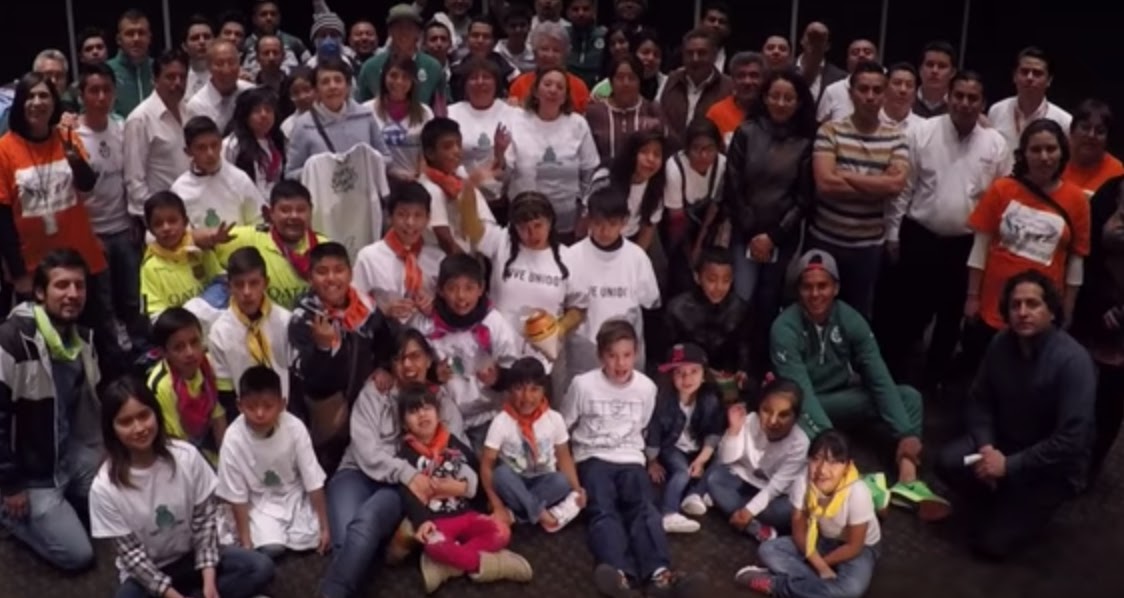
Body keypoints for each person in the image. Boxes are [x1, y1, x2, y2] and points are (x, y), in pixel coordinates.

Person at [771, 250, 948, 518]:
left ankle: (907, 480)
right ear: (798, 291)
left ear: (836, 288)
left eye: (823, 286)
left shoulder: (850, 318)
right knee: (790, 421)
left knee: (909, 397)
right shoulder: (784, 327)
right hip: (803, 409)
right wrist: (835, 449)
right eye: (807, 287)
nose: (815, 294)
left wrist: (906, 433)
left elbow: (877, 374)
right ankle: (853, 482)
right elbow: (801, 393)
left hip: (840, 399)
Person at [939, 271, 1095, 559]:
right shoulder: (1000, 343)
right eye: (1015, 305)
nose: (1023, 312)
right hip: (1003, 443)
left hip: (1049, 468)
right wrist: (987, 448)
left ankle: (1015, 503)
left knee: (990, 545)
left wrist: (1009, 466)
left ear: (1051, 311)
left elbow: (1072, 439)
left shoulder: (1074, 362)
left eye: (1033, 304)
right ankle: (998, 493)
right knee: (947, 462)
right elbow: (980, 400)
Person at [89, 376, 275, 598]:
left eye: (144, 415)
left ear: (156, 414)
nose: (139, 428)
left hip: (192, 556)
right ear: (112, 429)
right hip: (149, 571)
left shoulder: (186, 456)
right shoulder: (104, 486)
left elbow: (205, 523)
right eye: (126, 422)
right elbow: (133, 557)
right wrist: (172, 595)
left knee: (260, 567)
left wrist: (209, 579)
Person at [562, 320, 703, 598]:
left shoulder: (646, 388)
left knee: (645, 509)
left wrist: (649, 460)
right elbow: (562, 429)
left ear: (636, 353)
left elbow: (644, 426)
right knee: (603, 511)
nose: (620, 363)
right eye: (612, 355)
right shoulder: (582, 385)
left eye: (626, 355)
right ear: (601, 356)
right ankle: (620, 575)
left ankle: (659, 575)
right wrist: (572, 478)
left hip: (630, 458)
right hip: (592, 456)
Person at [322, 329, 462, 598]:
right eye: (399, 359)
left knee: (365, 526)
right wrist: (406, 471)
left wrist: (423, 476)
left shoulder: (441, 403)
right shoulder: (376, 392)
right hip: (357, 473)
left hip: (400, 486)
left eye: (415, 356)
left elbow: (457, 454)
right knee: (346, 544)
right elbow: (366, 452)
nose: (407, 365)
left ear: (429, 360)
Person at [0, 249, 100, 572]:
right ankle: (7, 512)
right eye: (62, 285)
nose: (73, 294)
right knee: (78, 555)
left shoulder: (81, 339)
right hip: (30, 472)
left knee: (122, 491)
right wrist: (10, 484)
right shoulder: (10, 341)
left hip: (66, 453)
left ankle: (62, 506)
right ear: (41, 293)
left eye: (79, 285)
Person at [962, 119, 1091, 368]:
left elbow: (1077, 260)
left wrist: (1068, 309)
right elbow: (979, 248)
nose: (1044, 157)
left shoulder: (1077, 200)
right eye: (1036, 149)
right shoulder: (1002, 189)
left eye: (1051, 149)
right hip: (995, 305)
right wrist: (972, 296)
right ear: (1024, 153)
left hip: (1042, 309)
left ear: (1062, 152)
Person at [397, 383, 534, 592]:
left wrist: (479, 498)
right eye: (414, 411)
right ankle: (493, 565)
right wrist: (422, 521)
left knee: (501, 531)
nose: (422, 415)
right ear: (404, 424)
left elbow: (475, 471)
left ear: (438, 414)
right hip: (437, 521)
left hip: (466, 513)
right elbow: (407, 494)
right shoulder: (405, 455)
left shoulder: (451, 442)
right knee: (433, 545)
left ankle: (449, 566)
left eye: (427, 408)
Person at [288, 242, 397, 472]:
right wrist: (322, 349)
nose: (331, 278)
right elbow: (307, 380)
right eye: (322, 271)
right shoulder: (303, 319)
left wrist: (383, 366)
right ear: (310, 278)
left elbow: (385, 343)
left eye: (338, 270)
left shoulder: (366, 308)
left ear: (350, 273)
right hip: (323, 418)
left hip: (364, 411)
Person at [417, 253, 542, 449]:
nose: (461, 296)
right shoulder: (428, 325)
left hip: (488, 417)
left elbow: (515, 371)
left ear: (481, 288)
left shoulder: (494, 323)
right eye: (452, 288)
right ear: (440, 290)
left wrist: (498, 378)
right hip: (444, 421)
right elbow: (414, 369)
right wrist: (433, 374)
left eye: (469, 288)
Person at [737, 430, 880, 598]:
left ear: (847, 466)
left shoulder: (858, 492)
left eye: (833, 463)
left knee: (852, 590)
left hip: (860, 548)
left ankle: (775, 585)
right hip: (821, 538)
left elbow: (854, 546)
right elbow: (799, 531)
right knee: (768, 550)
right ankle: (821, 590)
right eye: (816, 459)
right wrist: (821, 567)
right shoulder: (803, 481)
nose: (822, 470)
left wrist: (821, 564)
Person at [217, 366, 329, 557]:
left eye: (268, 406)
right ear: (239, 405)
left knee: (312, 537)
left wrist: (325, 526)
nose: (260, 414)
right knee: (272, 548)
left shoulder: (295, 428)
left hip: (291, 492)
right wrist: (246, 543)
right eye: (252, 407)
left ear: (282, 404)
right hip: (258, 500)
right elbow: (237, 495)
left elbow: (312, 479)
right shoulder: (233, 439)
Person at [480, 357, 584, 531]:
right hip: (514, 482)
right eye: (519, 389)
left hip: (543, 480)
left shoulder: (554, 419)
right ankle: (539, 513)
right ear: (510, 390)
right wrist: (496, 503)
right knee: (501, 474)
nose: (527, 397)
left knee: (561, 481)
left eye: (534, 389)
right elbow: (486, 466)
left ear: (544, 390)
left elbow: (564, 458)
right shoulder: (501, 422)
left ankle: (516, 515)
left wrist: (577, 490)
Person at [565, 187, 660, 375]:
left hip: (625, 353)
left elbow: (650, 304)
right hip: (584, 351)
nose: (605, 231)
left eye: (612, 224)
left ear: (624, 222)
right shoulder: (571, 257)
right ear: (589, 220)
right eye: (598, 223)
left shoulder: (637, 257)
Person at [707, 377, 809, 541]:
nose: (772, 421)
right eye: (766, 411)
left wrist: (748, 511)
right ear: (759, 407)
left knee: (788, 510)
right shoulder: (749, 421)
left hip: (775, 497)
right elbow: (725, 459)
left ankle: (735, 512)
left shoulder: (800, 443)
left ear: (796, 418)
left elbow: (776, 487)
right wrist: (733, 431)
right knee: (714, 478)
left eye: (783, 415)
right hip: (746, 482)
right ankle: (755, 528)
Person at [645, 343, 724, 534]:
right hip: (672, 446)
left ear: (704, 374)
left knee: (723, 462)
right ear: (670, 376)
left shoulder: (710, 399)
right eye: (679, 373)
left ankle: (694, 494)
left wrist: (701, 460)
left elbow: (713, 432)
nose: (687, 378)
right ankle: (669, 513)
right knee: (681, 473)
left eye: (694, 371)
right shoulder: (663, 400)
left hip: (699, 447)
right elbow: (654, 432)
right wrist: (652, 461)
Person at [209, 247, 294, 415]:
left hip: (285, 410)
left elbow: (295, 376)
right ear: (229, 286)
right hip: (244, 415)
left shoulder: (285, 321)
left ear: (266, 283)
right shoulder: (220, 332)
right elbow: (225, 391)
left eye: (254, 283)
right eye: (239, 284)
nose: (247, 292)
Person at [353, 180, 444, 326]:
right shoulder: (369, 257)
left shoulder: (438, 258)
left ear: (428, 218)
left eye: (418, 215)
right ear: (390, 217)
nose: (410, 222)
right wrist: (384, 312)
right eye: (402, 214)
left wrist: (434, 308)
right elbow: (355, 304)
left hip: (430, 335)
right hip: (385, 336)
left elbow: (452, 305)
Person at [148, 308, 228, 464]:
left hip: (203, 438)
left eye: (195, 342)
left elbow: (218, 416)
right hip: (176, 450)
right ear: (164, 352)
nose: (190, 352)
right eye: (179, 347)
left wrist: (226, 460)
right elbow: (174, 442)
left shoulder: (207, 365)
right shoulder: (162, 386)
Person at [665, 249, 752, 390]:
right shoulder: (677, 308)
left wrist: (742, 370)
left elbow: (744, 346)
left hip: (726, 377)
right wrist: (704, 372)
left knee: (735, 398)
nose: (719, 287)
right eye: (711, 280)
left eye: (726, 281)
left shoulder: (739, 308)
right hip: (688, 376)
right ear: (697, 277)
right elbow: (669, 352)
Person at [139, 191, 227, 323]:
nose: (166, 228)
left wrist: (202, 310)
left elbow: (223, 284)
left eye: (172, 220)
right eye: (158, 224)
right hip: (181, 332)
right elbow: (156, 317)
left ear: (185, 221)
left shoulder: (200, 250)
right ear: (150, 229)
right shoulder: (150, 267)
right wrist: (190, 316)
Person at [170, 116, 265, 229]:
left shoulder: (239, 179)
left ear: (221, 144)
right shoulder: (180, 190)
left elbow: (259, 221)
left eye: (214, 145)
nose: (210, 153)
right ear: (188, 151)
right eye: (201, 148)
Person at [106, 9, 155, 116]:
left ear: (149, 38)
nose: (136, 39)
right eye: (130, 34)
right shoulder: (106, 72)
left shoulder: (159, 70)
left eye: (141, 33)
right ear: (119, 39)